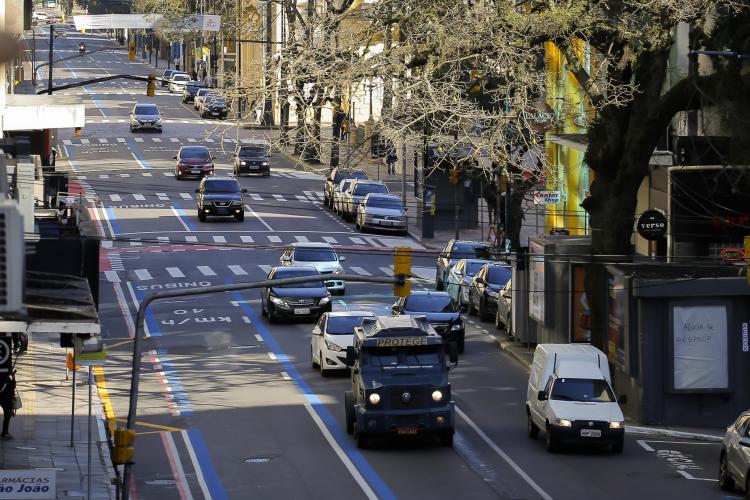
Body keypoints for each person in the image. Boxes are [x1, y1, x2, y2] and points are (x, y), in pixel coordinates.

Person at [0, 372, 16, 440]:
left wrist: (13, 377)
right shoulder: (5, 378)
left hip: (7, 399)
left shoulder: (7, 378)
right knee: (7, 416)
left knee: (8, 416)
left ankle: (5, 432)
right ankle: (4, 433)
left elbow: (13, 386)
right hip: (5, 399)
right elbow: (2, 389)